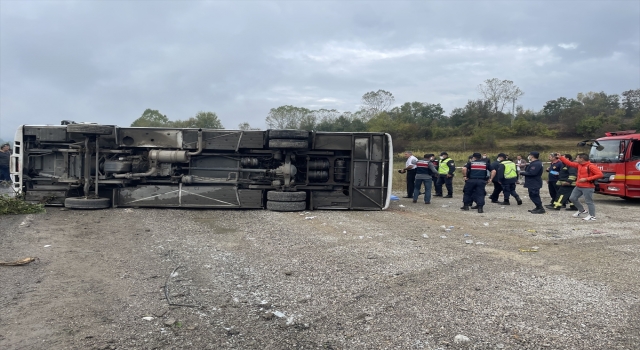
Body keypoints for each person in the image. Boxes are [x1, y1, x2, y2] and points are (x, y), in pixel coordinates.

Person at [558, 153, 603, 221]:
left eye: (577, 158)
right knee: (572, 198)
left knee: (589, 201)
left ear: (581, 159)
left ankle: (592, 216)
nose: (576, 159)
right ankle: (581, 210)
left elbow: (600, 174)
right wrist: (561, 157)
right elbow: (570, 163)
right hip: (578, 186)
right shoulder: (579, 165)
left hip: (588, 187)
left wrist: (586, 179)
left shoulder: (591, 166)